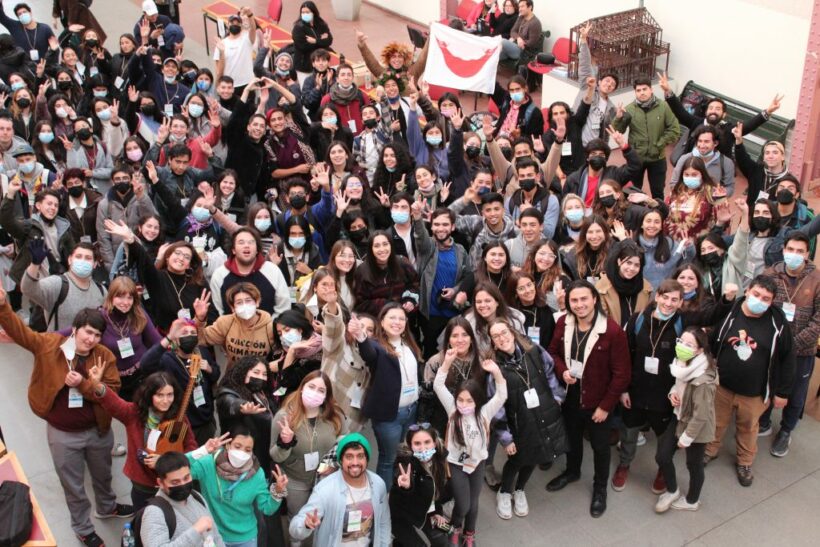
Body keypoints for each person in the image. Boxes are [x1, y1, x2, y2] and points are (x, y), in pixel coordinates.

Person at [0, 290, 131, 547]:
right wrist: (4, 306)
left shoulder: (104, 356)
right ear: (75, 330)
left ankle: (107, 507)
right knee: (73, 485)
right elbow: (20, 332)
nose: (91, 339)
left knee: (103, 475)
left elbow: (112, 392)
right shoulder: (50, 345)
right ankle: (83, 528)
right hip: (63, 434)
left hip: (99, 430)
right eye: (87, 332)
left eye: (97, 335)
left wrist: (85, 384)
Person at [547, 280, 631, 518]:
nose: (579, 304)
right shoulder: (563, 323)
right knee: (572, 439)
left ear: (595, 299)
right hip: (571, 398)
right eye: (574, 300)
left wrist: (605, 407)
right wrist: (562, 370)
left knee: (600, 447)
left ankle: (600, 488)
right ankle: (572, 472)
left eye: (584, 299)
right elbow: (552, 353)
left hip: (598, 402)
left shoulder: (612, 331)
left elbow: (622, 374)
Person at [705, 275, 796, 486]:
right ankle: (710, 450)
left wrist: (783, 392)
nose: (759, 300)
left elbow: (788, 358)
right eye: (756, 294)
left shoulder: (777, 322)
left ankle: (744, 462)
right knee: (716, 422)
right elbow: (713, 337)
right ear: (747, 291)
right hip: (722, 386)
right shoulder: (730, 311)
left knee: (748, 428)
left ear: (771, 301)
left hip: (756, 392)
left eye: (766, 298)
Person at [89, 367, 198, 510]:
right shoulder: (133, 413)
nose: (165, 400)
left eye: (170, 395)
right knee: (144, 517)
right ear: (149, 395)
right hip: (143, 485)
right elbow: (114, 404)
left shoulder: (179, 417)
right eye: (160, 395)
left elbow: (191, 446)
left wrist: (167, 462)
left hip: (173, 484)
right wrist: (98, 385)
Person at [435, 352, 507, 544]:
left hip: (477, 463)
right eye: (460, 400)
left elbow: (502, 394)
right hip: (456, 464)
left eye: (469, 401)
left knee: (473, 503)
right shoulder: (452, 410)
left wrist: (496, 372)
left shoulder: (484, 413)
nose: (464, 405)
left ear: (477, 401)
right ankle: (454, 527)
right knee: (464, 503)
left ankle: (469, 533)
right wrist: (447, 362)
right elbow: (438, 385)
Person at [759, 232, 820, 456]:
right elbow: (760, 306)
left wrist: (792, 345)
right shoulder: (770, 274)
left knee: (795, 394)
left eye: (800, 251)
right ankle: (763, 421)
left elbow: (818, 321)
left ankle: (786, 430)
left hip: (802, 351)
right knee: (767, 384)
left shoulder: (817, 279)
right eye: (791, 249)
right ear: (784, 250)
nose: (794, 254)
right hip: (772, 347)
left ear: (807, 254)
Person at [348, 302, 421, 488]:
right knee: (388, 458)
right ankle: (383, 496)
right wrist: (361, 336)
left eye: (401, 318)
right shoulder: (376, 345)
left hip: (411, 410)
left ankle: (400, 489)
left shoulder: (409, 345)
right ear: (381, 321)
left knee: (404, 453)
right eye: (392, 317)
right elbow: (369, 354)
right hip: (390, 416)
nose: (397, 322)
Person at [271, 371, 347, 545]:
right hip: (296, 479)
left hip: (326, 478)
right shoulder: (284, 417)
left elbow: (344, 442)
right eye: (311, 387)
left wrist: (335, 461)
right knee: (297, 517)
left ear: (327, 395)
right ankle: (295, 543)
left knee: (321, 517)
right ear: (301, 388)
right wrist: (285, 443)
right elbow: (275, 456)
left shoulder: (335, 415)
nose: (315, 393)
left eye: (321, 390)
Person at [187, 424, 289, 546]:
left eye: (248, 449)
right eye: (237, 446)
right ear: (227, 445)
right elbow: (177, 470)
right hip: (213, 536)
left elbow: (267, 509)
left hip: (245, 538)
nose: (242, 452)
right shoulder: (208, 463)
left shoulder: (257, 473)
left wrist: (277, 492)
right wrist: (203, 450)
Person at [653, 327, 717, 513]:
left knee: (694, 465)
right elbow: (679, 386)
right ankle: (672, 490)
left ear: (699, 350)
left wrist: (686, 438)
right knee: (662, 456)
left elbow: (701, 415)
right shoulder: (682, 364)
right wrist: (673, 393)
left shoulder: (703, 380)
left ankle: (692, 501)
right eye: (681, 341)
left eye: (689, 344)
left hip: (696, 426)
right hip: (680, 415)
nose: (682, 346)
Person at [289, 432, 391, 546]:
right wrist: (306, 525)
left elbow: (383, 522)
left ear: (367, 459)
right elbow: (294, 529)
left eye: (360, 456)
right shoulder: (325, 490)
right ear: (340, 460)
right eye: (349, 457)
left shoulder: (378, 484)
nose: (355, 462)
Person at [658, 71, 781, 160]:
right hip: (692, 168)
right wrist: (668, 91)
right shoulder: (696, 123)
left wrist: (768, 112)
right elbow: (680, 112)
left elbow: (748, 126)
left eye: (718, 109)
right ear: (706, 112)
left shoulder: (729, 129)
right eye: (711, 108)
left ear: (724, 114)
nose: (713, 111)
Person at [140, 318, 221, 445]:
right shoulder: (167, 359)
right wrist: (168, 338)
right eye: (184, 333)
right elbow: (145, 365)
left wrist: (209, 369)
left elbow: (216, 375)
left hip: (207, 419)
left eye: (192, 333)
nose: (189, 336)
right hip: (183, 422)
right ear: (176, 339)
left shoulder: (202, 352)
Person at [611, 77, 681, 200]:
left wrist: (660, 144)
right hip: (636, 158)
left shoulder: (663, 106)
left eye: (644, 89)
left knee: (658, 192)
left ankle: (657, 211)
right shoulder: (629, 109)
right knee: (633, 191)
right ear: (635, 92)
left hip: (657, 157)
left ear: (651, 90)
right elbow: (617, 131)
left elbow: (674, 129)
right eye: (638, 90)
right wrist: (618, 118)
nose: (642, 92)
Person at [416, 207, 470, 358]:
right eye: (437, 224)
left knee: (454, 352)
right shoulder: (428, 247)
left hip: (453, 312)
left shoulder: (460, 250)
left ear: (452, 227)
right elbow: (420, 237)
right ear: (431, 226)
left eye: (445, 224)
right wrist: (417, 218)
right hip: (430, 314)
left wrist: (455, 290)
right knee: (431, 353)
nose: (440, 228)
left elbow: (468, 276)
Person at [320, 280, 373, 431]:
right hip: (329, 410)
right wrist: (332, 305)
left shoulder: (374, 356)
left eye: (370, 329)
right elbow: (333, 329)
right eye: (360, 325)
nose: (363, 330)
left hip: (354, 417)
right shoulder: (339, 344)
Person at [140, 451, 225, 546]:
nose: (183, 485)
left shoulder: (196, 496)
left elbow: (215, 535)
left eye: (186, 478)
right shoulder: (154, 512)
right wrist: (195, 531)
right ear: (161, 483)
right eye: (175, 482)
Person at [98, 276, 162, 401]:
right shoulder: (100, 317)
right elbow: (74, 331)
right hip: (114, 380)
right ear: (111, 297)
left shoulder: (139, 314)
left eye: (130, 297)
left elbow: (157, 342)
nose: (125, 302)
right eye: (120, 297)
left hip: (141, 375)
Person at [21, 241, 106, 331]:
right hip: (59, 340)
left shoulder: (101, 291)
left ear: (95, 264)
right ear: (70, 260)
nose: (82, 261)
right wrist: (35, 264)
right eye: (78, 256)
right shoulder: (57, 283)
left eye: (88, 258)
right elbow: (28, 289)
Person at [215, 355, 276, 479]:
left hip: (263, 453)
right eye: (256, 372)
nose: (260, 377)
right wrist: (242, 407)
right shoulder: (228, 392)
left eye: (264, 374)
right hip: (240, 455)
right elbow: (231, 403)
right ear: (243, 372)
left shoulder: (263, 394)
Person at [209, 227, 291, 317]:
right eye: (241, 242)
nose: (246, 245)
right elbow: (218, 311)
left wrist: (268, 324)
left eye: (251, 242)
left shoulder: (272, 270)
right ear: (233, 250)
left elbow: (283, 307)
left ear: (257, 249)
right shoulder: (220, 275)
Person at [389, 425, 450, 547]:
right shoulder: (405, 464)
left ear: (434, 443)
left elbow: (437, 492)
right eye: (417, 443)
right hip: (402, 518)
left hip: (427, 513)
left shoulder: (439, 461)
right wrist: (406, 487)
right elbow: (402, 496)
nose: (423, 448)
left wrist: (437, 513)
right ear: (410, 446)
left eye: (427, 442)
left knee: (445, 536)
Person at [193, 282, 276, 371]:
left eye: (248, 300)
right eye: (239, 302)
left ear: (257, 302)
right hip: (232, 376)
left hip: (261, 376)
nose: (244, 305)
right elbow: (199, 339)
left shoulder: (270, 327)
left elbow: (281, 354)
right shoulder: (225, 323)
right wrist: (199, 319)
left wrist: (268, 368)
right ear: (233, 308)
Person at [352, 231, 420, 317]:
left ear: (391, 245)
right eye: (377, 246)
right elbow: (360, 304)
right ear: (370, 249)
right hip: (378, 319)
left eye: (385, 244)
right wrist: (385, 304)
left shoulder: (402, 262)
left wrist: (410, 299)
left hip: (404, 317)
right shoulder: (362, 271)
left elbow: (415, 284)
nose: (382, 249)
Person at [573, 22, 619, 146]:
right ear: (599, 82)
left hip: (594, 147)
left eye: (612, 84)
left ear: (613, 90)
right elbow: (584, 65)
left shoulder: (611, 108)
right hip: (577, 141)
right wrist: (583, 40)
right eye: (607, 81)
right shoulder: (588, 88)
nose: (609, 84)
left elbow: (607, 131)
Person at [669, 125, 735, 196]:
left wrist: (721, 193)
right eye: (700, 141)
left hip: (712, 200)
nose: (702, 145)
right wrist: (683, 194)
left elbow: (730, 187)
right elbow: (674, 182)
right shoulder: (685, 158)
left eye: (706, 142)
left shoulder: (726, 163)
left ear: (715, 143)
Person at [213, 9, 256, 94]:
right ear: (227, 25)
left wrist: (250, 15)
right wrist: (217, 85)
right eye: (232, 23)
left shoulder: (247, 39)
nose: (235, 25)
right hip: (229, 86)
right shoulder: (221, 43)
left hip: (247, 84)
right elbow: (218, 70)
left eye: (237, 23)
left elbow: (253, 28)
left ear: (241, 25)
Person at [292, 1, 333, 79]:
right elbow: (303, 46)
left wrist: (315, 41)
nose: (305, 14)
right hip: (304, 66)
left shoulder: (321, 25)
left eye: (307, 12)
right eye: (303, 12)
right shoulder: (298, 28)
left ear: (313, 12)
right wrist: (321, 41)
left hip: (321, 66)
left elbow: (329, 40)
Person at [499, 0, 543, 66]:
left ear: (530, 7)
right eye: (519, 7)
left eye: (522, 6)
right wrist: (518, 38)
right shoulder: (521, 17)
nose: (520, 9)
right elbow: (513, 31)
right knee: (494, 55)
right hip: (515, 47)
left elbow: (531, 43)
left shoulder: (535, 23)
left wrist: (518, 41)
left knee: (501, 41)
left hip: (524, 52)